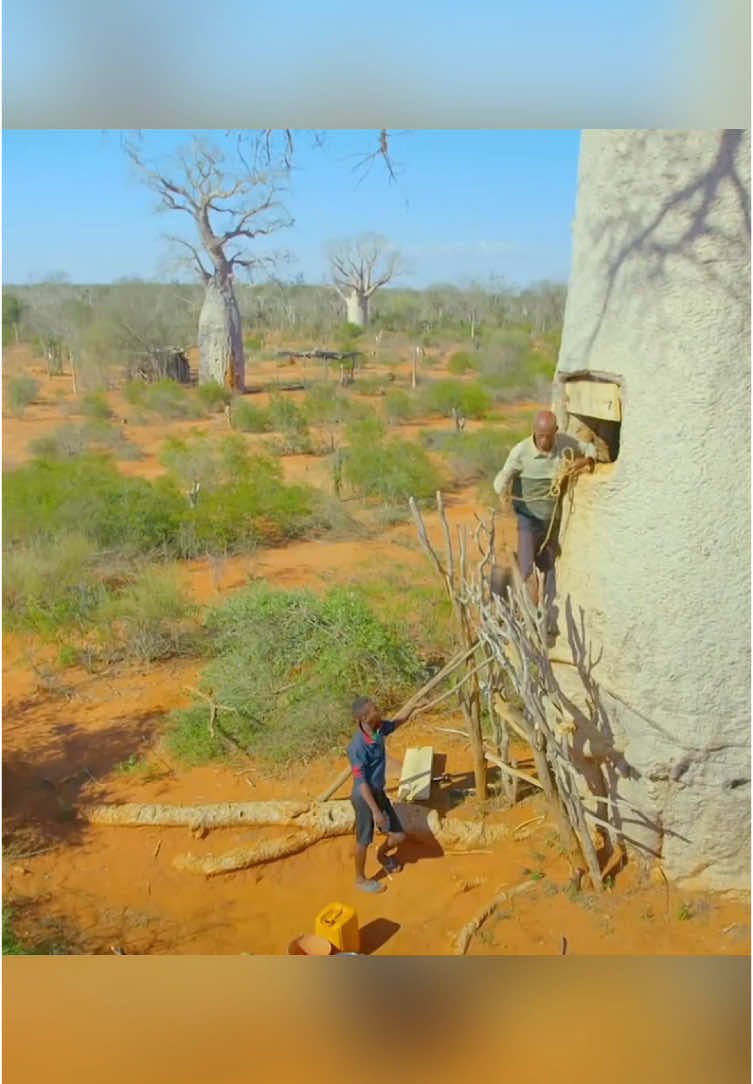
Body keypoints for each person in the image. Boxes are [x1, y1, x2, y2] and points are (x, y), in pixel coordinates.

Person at [492, 410, 596, 606]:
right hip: (528, 519)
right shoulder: (521, 451)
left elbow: (590, 449)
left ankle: (544, 611)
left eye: (548, 436)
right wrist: (502, 489)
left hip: (552, 521)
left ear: (556, 431)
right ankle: (523, 613)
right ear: (534, 431)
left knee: (547, 567)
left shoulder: (565, 444)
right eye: (540, 436)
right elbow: (502, 477)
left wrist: (585, 461)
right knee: (525, 570)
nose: (544, 441)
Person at [346, 696, 414, 894]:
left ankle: (382, 855)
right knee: (364, 840)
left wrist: (413, 708)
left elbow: (396, 723)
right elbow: (361, 783)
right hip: (364, 797)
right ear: (365, 717)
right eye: (375, 709)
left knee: (399, 836)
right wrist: (376, 811)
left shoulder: (378, 729)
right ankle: (360, 879)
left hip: (378, 791)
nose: (379, 709)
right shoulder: (357, 747)